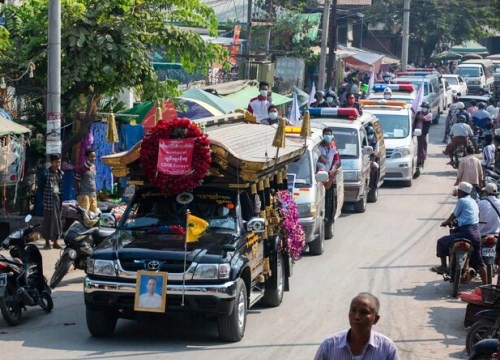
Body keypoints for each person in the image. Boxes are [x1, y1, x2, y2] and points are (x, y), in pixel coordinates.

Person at [314, 292, 400, 360]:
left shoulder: (386, 348)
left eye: (364, 312)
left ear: (375, 319)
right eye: (353, 310)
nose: (357, 317)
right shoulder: (329, 346)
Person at [432, 181, 487, 284]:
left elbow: (454, 214)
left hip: (465, 232)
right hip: (476, 233)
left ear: (461, 191)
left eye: (458, 191)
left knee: (441, 242)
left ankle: (444, 267)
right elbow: (467, 216)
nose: (457, 192)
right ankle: (487, 286)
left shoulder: (462, 201)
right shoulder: (473, 201)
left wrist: (446, 222)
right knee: (480, 262)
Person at [41, 154, 64, 250]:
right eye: (56, 162)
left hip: (57, 199)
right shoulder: (45, 173)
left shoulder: (61, 173)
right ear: (51, 162)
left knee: (57, 221)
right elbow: (41, 188)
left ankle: (55, 242)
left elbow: (61, 188)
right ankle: (46, 242)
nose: (58, 164)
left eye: (59, 162)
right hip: (48, 201)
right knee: (47, 221)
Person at [74, 148, 98, 213]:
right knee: (85, 215)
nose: (93, 158)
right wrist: (79, 194)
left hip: (93, 194)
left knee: (94, 214)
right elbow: (76, 181)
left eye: (94, 156)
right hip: (84, 195)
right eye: (91, 156)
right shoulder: (82, 168)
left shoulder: (93, 167)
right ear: (86, 157)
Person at [413, 102, 432, 176]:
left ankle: (420, 164)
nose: (423, 108)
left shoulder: (429, 115)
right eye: (422, 107)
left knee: (421, 148)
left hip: (423, 134)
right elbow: (415, 121)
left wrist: (418, 115)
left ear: (427, 108)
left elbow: (423, 119)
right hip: (415, 134)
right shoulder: (418, 113)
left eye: (424, 107)